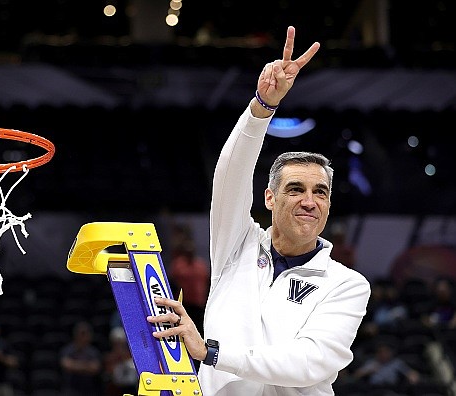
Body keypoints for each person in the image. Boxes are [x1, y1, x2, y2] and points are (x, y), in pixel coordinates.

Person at [147, 25, 371, 395]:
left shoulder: (347, 284)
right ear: (269, 198)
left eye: (320, 192)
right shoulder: (236, 245)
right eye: (295, 190)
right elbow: (230, 176)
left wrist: (212, 353)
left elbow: (308, 362)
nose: (309, 202)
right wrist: (261, 109)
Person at [59, 320, 103, 396]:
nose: (84, 336)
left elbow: (95, 368)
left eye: (86, 334)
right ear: (76, 334)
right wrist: (87, 366)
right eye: (82, 333)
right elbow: (66, 365)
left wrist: (75, 365)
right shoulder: (68, 350)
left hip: (89, 390)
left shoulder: (93, 352)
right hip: (71, 389)